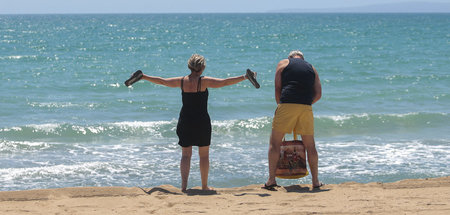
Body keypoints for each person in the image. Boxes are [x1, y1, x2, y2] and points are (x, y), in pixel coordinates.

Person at [136, 54, 254, 192]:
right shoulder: (203, 81)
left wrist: (144, 76)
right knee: (204, 155)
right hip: (201, 122)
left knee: (186, 155)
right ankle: (204, 186)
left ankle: (184, 187)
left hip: (185, 121)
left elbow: (162, 81)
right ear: (202, 67)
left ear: (189, 66)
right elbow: (224, 82)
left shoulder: (182, 81)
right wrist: (245, 77)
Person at [264, 50, 323, 190]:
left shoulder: (284, 62)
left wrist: (280, 106)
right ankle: (315, 181)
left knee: (275, 143)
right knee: (310, 145)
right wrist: (305, 104)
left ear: (291, 57)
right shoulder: (312, 68)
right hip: (306, 107)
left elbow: (278, 88)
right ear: (303, 58)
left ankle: (271, 180)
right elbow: (319, 94)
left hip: (287, 104)